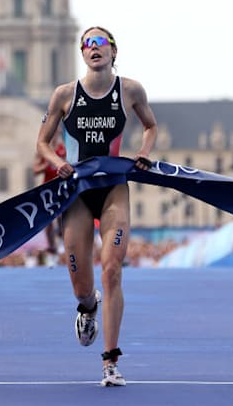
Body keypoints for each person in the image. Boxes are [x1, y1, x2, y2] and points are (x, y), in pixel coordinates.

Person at [36, 25, 157, 387]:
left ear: (113, 52)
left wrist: (144, 154)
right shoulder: (64, 95)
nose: (94, 48)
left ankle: (110, 362)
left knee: (113, 269)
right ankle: (88, 306)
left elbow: (150, 126)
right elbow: (42, 142)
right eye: (87, 44)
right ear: (82, 54)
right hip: (76, 192)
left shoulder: (130, 90)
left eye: (100, 42)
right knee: (81, 284)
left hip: (114, 189)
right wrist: (55, 163)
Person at [32, 131, 66, 255]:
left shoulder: (63, 149)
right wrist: (46, 165)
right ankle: (52, 247)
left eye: (56, 133)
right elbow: (35, 170)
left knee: (62, 216)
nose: (54, 135)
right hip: (47, 189)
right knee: (48, 220)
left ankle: (62, 241)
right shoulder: (43, 151)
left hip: (61, 186)